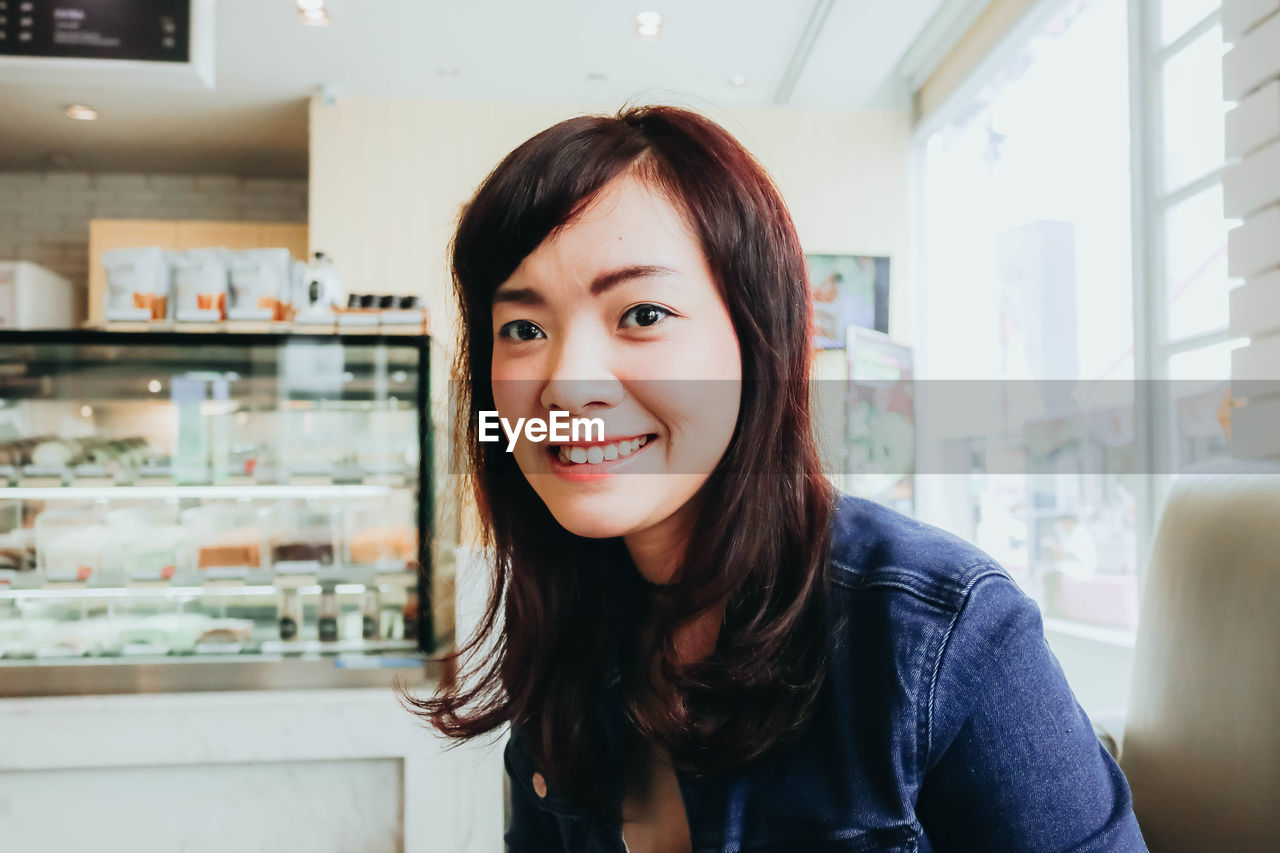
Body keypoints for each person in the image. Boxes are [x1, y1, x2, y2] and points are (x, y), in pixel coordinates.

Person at [399, 105, 1148, 852]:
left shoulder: (946, 633)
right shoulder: (568, 627)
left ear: (757, 340)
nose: (568, 384)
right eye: (523, 329)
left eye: (643, 313)